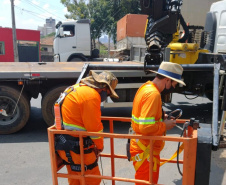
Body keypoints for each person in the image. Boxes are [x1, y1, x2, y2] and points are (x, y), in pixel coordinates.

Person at [55, 70, 119, 185]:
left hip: (64, 146)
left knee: (75, 179)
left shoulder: (75, 88)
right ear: (104, 87)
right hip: (79, 149)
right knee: (92, 180)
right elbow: (94, 129)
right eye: (108, 94)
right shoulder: (91, 95)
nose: (106, 97)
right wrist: (99, 146)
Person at [130, 61, 186, 184]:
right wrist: (164, 125)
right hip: (146, 150)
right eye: (174, 83)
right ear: (167, 80)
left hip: (144, 147)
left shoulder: (146, 87)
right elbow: (145, 127)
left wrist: (161, 117)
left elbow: (143, 117)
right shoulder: (153, 94)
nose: (174, 87)